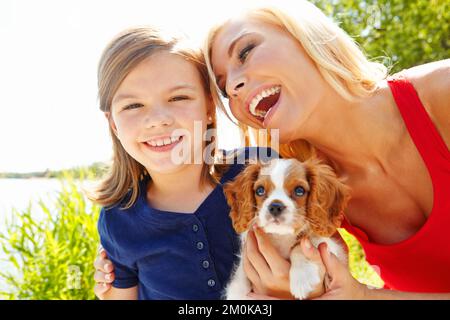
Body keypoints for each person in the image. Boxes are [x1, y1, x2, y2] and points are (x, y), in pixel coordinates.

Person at [202, 0, 450, 299]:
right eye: (223, 86)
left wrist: (363, 296)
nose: (233, 87)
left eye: (245, 51)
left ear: (305, 36)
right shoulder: (313, 190)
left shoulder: (442, 95)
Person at [89, 26, 277, 299]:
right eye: (133, 106)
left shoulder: (262, 170)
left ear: (210, 108)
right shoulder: (119, 218)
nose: (157, 119)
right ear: (113, 124)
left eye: (178, 98)